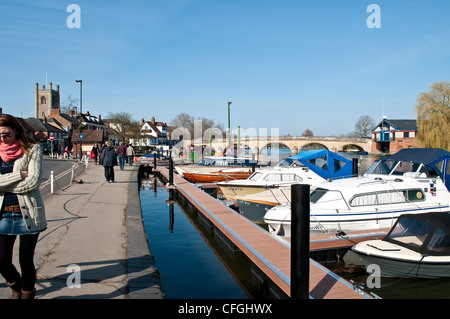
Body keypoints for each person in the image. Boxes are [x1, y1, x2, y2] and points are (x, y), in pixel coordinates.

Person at [0, 114, 46, 299]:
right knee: (2, 260)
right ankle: (15, 284)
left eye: (6, 134)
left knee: (25, 260)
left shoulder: (33, 149)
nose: (2, 139)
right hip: (3, 214)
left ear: (16, 130)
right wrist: (19, 174)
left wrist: (3, 182)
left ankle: (27, 293)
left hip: (28, 212)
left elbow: (33, 181)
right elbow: (26, 178)